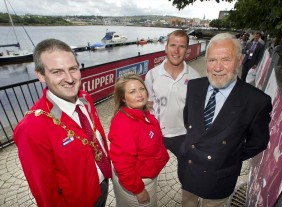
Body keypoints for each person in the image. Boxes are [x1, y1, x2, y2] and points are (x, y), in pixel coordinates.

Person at [13, 38, 111, 207]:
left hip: (102, 184)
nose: (70, 79)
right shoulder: (32, 128)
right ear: (41, 75)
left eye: (73, 69)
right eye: (57, 72)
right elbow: (46, 194)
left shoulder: (85, 99)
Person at [178, 33, 272, 207]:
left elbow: (258, 143)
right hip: (189, 172)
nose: (217, 67)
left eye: (225, 59)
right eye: (212, 60)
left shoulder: (257, 101)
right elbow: (189, 122)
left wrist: (228, 155)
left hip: (219, 180)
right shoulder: (194, 86)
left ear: (239, 60)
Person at [108, 73, 169, 207]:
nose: (140, 94)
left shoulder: (143, 112)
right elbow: (123, 165)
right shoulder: (124, 125)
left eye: (142, 89)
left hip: (148, 176)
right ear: (123, 98)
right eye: (132, 91)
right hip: (138, 184)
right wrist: (139, 190)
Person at [145, 29, 200, 157]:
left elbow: (197, 111)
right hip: (157, 133)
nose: (176, 51)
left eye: (181, 46)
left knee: (186, 173)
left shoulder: (196, 77)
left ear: (187, 50)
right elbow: (148, 105)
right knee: (151, 171)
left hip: (183, 135)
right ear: (166, 48)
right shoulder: (152, 75)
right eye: (173, 45)